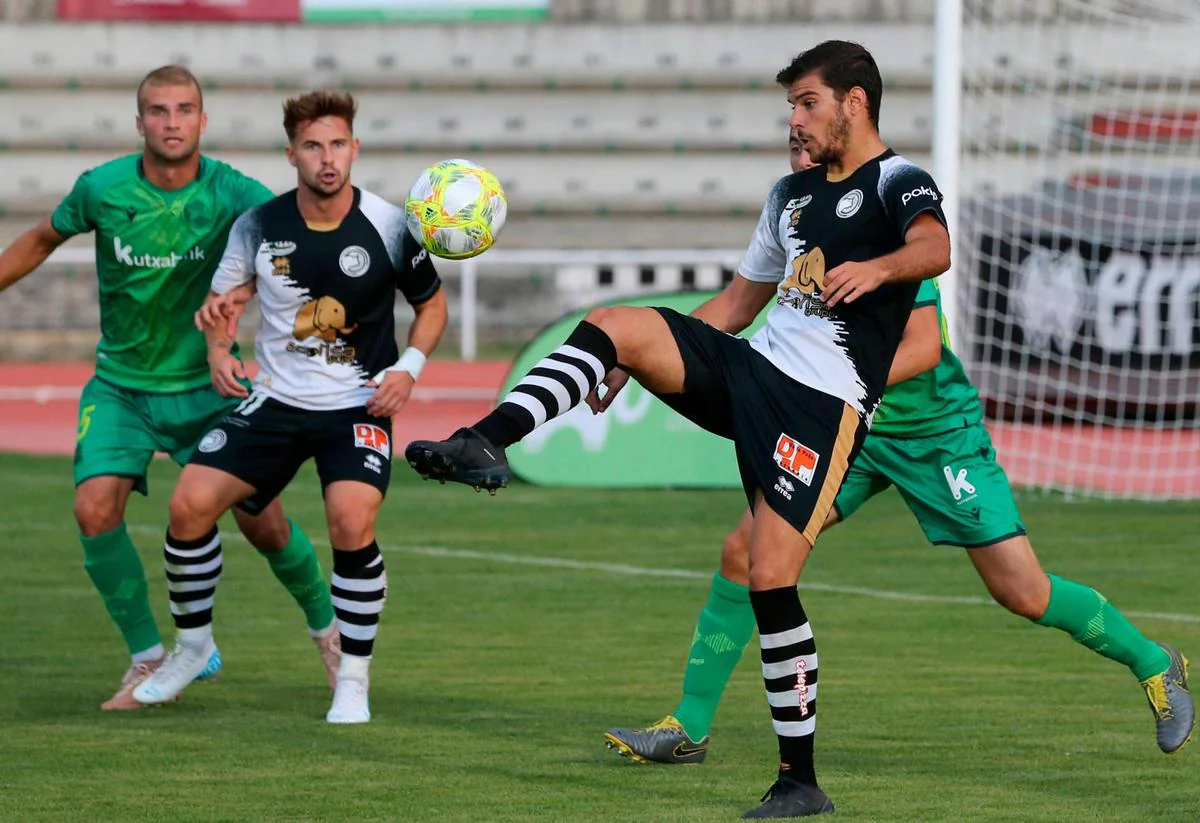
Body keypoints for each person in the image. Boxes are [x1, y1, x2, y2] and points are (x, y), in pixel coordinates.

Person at [407, 41, 952, 817]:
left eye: (806, 103)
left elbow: (937, 246)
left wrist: (882, 268)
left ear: (853, 102)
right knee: (613, 326)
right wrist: (633, 361)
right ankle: (485, 439)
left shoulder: (899, 179)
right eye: (790, 106)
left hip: (820, 408)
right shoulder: (789, 197)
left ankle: (800, 780)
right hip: (753, 372)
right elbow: (734, 307)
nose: (794, 121)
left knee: (769, 575)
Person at [601, 137, 1194, 768]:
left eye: (810, 153)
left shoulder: (883, 233)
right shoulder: (801, 228)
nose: (801, 165)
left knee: (1023, 591)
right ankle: (688, 724)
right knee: (745, 550)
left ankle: (1156, 665)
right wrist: (636, 354)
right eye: (795, 155)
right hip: (847, 431)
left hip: (932, 434)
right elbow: (732, 309)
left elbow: (922, 350)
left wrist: (822, 384)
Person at [0, 65, 339, 711]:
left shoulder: (234, 192)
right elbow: (43, 238)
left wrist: (240, 299)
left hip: (209, 387)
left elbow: (293, 247)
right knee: (93, 509)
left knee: (263, 524)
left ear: (202, 121)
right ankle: (149, 655)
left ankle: (329, 633)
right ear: (140, 123)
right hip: (121, 387)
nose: (172, 121)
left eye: (184, 109)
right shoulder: (102, 188)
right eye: (159, 110)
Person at [131, 90, 447, 725]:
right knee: (188, 504)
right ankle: (192, 649)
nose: (326, 159)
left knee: (350, 522)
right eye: (312, 146)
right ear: (291, 154)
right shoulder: (258, 225)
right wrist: (220, 351)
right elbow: (223, 306)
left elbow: (431, 306)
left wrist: (408, 370)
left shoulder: (390, 225)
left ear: (354, 149)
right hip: (275, 401)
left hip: (358, 404)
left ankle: (352, 679)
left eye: (336, 144)